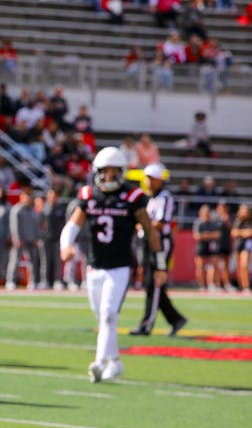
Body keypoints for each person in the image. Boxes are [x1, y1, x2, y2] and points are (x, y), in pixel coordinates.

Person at [60, 147, 167, 383]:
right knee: (102, 317)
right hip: (95, 265)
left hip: (119, 266)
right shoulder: (89, 194)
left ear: (122, 172)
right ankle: (115, 361)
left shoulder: (132, 197)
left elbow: (151, 232)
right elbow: (72, 225)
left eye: (113, 171)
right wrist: (65, 246)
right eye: (105, 171)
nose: (109, 176)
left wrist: (160, 266)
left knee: (109, 315)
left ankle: (98, 363)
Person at [129, 163, 187, 337]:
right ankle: (175, 318)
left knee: (154, 282)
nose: (147, 181)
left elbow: (160, 223)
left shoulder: (165, 197)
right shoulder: (148, 197)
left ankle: (147, 324)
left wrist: (142, 224)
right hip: (146, 242)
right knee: (151, 284)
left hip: (160, 244)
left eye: (150, 178)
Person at [231, 203, 252, 293]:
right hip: (238, 244)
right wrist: (243, 232)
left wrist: (240, 232)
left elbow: (250, 232)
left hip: (247, 245)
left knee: (244, 265)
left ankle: (246, 286)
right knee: (239, 267)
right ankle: (241, 285)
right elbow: (233, 232)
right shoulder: (237, 220)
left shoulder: (251, 221)